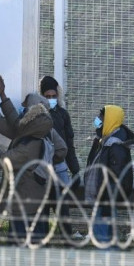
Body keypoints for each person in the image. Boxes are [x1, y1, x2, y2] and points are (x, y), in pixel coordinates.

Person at [0, 75, 67, 244]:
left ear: (32, 113)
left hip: (26, 202)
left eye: (25, 109)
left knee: (23, 244)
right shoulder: (38, 129)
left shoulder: (30, 142)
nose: (22, 111)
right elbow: (10, 121)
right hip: (36, 197)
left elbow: (5, 160)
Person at [84, 104, 134, 266]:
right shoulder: (105, 142)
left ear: (110, 119)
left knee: (106, 238)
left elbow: (117, 178)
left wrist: (107, 201)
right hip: (100, 198)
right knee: (101, 237)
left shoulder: (116, 146)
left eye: (101, 116)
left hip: (106, 200)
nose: (97, 119)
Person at [39, 75, 82, 238]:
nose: (51, 99)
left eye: (53, 96)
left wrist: (75, 170)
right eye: (47, 96)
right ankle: (41, 239)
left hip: (59, 166)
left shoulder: (63, 115)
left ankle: (66, 238)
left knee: (62, 206)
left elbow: (69, 145)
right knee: (42, 207)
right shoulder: (36, 113)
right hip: (42, 167)